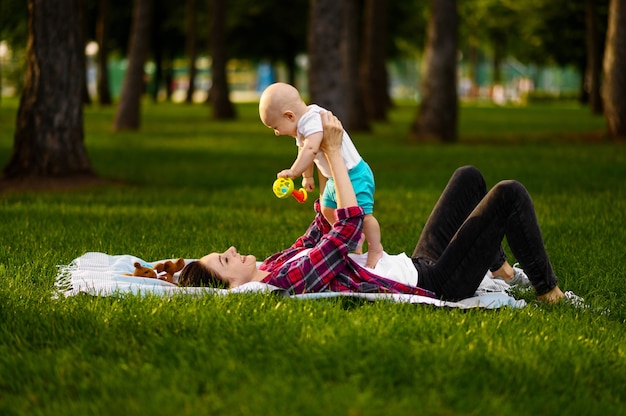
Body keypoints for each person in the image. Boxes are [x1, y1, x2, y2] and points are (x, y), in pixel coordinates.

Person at [179, 111, 572, 305]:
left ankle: (501, 271)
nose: (231, 251)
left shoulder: (275, 261)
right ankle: (549, 291)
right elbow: (345, 235)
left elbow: (323, 228)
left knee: (467, 177)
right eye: (226, 262)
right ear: (234, 287)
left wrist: (317, 161)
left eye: (223, 252)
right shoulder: (278, 282)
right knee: (509, 194)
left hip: (418, 264)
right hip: (435, 286)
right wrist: (333, 153)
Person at [258, 82, 383, 268]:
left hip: (355, 175)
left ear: (289, 116)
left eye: (275, 127)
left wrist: (293, 172)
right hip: (335, 178)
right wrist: (307, 177)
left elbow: (310, 148)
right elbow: (305, 152)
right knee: (326, 211)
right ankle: (355, 239)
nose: (276, 133)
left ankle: (375, 249)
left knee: (365, 216)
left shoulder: (313, 121)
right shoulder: (300, 127)